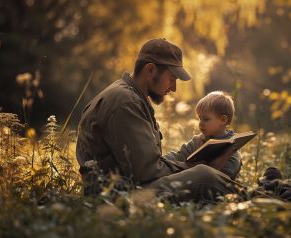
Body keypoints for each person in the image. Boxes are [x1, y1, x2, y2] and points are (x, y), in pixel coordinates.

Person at [76, 38, 242, 202]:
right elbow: (148, 172)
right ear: (150, 70)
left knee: (203, 173)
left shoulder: (129, 96)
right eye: (172, 79)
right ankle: (258, 199)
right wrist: (202, 164)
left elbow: (146, 164)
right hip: (117, 197)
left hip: (124, 189)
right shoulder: (126, 102)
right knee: (205, 176)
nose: (174, 88)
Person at [165, 91, 241, 180]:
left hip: (219, 189)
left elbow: (229, 173)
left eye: (206, 119)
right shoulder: (197, 141)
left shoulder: (232, 145)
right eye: (199, 119)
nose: (201, 123)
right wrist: (161, 160)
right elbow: (180, 155)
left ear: (223, 120)